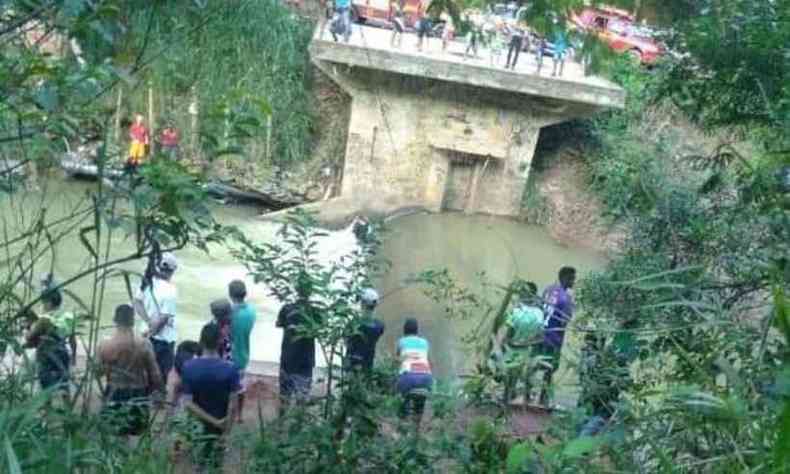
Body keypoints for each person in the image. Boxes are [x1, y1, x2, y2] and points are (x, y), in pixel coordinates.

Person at [181, 323, 241, 470]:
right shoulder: (231, 369)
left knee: (198, 462)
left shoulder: (188, 366)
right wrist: (225, 431)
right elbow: (233, 405)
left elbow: (188, 403)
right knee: (216, 463)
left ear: (201, 341)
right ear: (220, 341)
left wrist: (212, 421)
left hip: (196, 424)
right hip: (220, 424)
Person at [98, 304, 163, 436]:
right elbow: (155, 374)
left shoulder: (105, 344)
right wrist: (161, 390)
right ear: (133, 321)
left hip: (114, 392)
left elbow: (96, 373)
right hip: (138, 393)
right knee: (139, 435)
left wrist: (109, 366)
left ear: (114, 319)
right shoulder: (144, 344)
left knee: (113, 435)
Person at [133, 252, 179, 388]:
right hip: (163, 340)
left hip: (144, 334)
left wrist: (148, 322)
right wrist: (152, 331)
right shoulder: (171, 290)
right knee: (161, 373)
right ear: (173, 270)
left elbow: (136, 302)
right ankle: (157, 401)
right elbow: (164, 318)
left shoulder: (146, 282)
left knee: (145, 371)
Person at [25, 280, 78, 397]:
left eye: (43, 302)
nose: (42, 305)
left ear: (48, 302)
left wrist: (29, 325)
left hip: (47, 356)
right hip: (63, 354)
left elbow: (29, 337)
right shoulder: (68, 317)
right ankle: (67, 407)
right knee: (64, 385)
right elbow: (73, 341)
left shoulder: (44, 320)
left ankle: (47, 409)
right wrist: (73, 357)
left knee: (45, 389)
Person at [276, 274, 317, 409]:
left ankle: (281, 427)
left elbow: (278, 324)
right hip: (305, 362)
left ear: (296, 290)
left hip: (287, 359)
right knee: (302, 399)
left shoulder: (287, 309)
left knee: (284, 398)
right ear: (311, 291)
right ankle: (298, 426)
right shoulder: (314, 311)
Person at [538, 266, 576, 405]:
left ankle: (526, 394)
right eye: (572, 278)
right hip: (554, 337)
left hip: (540, 333)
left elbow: (540, 306)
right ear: (565, 278)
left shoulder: (548, 289)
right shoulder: (566, 298)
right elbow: (566, 320)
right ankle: (543, 399)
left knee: (535, 364)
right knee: (550, 369)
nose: (574, 281)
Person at [502, 282, 544, 402]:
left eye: (523, 291)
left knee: (510, 383)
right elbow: (541, 337)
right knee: (519, 384)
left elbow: (508, 334)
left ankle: (507, 405)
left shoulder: (519, 311)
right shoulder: (538, 313)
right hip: (525, 351)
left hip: (518, 350)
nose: (520, 294)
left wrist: (513, 344)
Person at [396, 318, 433, 427]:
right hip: (426, 378)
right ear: (417, 330)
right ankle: (416, 429)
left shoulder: (401, 341)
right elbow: (429, 361)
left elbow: (397, 359)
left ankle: (402, 424)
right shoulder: (425, 342)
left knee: (402, 399)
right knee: (419, 406)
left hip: (408, 378)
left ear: (404, 330)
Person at [229, 280, 256, 423]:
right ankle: (239, 415)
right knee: (240, 387)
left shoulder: (230, 314)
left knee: (226, 387)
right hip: (243, 354)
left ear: (230, 294)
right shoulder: (251, 312)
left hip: (229, 355)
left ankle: (227, 415)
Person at [345, 288, 385, 373]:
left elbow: (346, 337)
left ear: (362, 303)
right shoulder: (379, 326)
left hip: (353, 363)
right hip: (368, 363)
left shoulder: (354, 323)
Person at [169, 340, 202, 417]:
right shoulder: (189, 358)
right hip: (184, 376)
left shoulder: (181, 355)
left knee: (176, 396)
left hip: (179, 374)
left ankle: (172, 413)